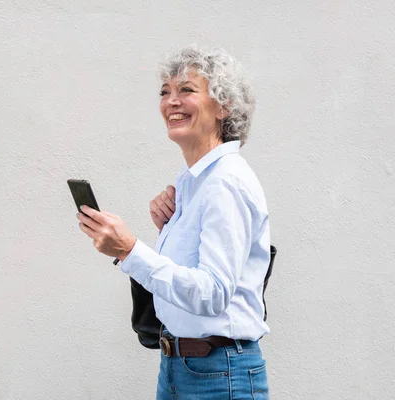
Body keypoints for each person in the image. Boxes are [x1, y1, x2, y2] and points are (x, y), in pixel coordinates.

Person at [76, 43, 271, 399]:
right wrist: (169, 231)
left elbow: (211, 294)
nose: (171, 101)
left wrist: (129, 250)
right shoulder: (192, 182)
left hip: (218, 372)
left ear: (223, 106)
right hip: (182, 366)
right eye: (165, 92)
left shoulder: (224, 182)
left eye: (187, 90)